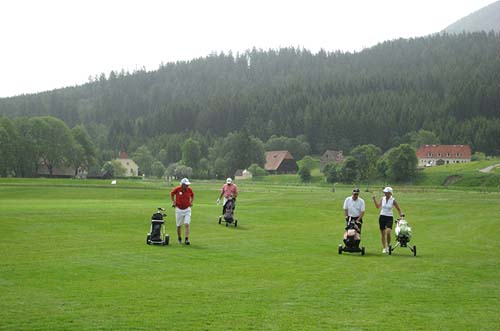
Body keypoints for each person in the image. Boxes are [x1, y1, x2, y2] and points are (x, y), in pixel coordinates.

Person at [372, 186, 403, 254]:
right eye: (385, 192)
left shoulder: (393, 200)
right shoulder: (382, 199)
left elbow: (398, 208)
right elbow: (377, 206)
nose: (385, 193)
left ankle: (388, 246)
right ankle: (384, 248)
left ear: (390, 193)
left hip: (389, 217)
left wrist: (401, 214)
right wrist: (374, 199)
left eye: (386, 192)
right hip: (382, 216)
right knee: (382, 233)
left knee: (388, 232)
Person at [171, 178, 194, 245]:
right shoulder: (177, 189)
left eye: (188, 185)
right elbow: (172, 193)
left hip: (187, 209)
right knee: (178, 225)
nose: (187, 186)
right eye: (186, 185)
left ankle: (186, 239)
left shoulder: (189, 190)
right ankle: (179, 238)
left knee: (187, 224)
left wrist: (191, 202)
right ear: (182, 185)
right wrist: (173, 201)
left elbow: (192, 195)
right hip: (179, 209)